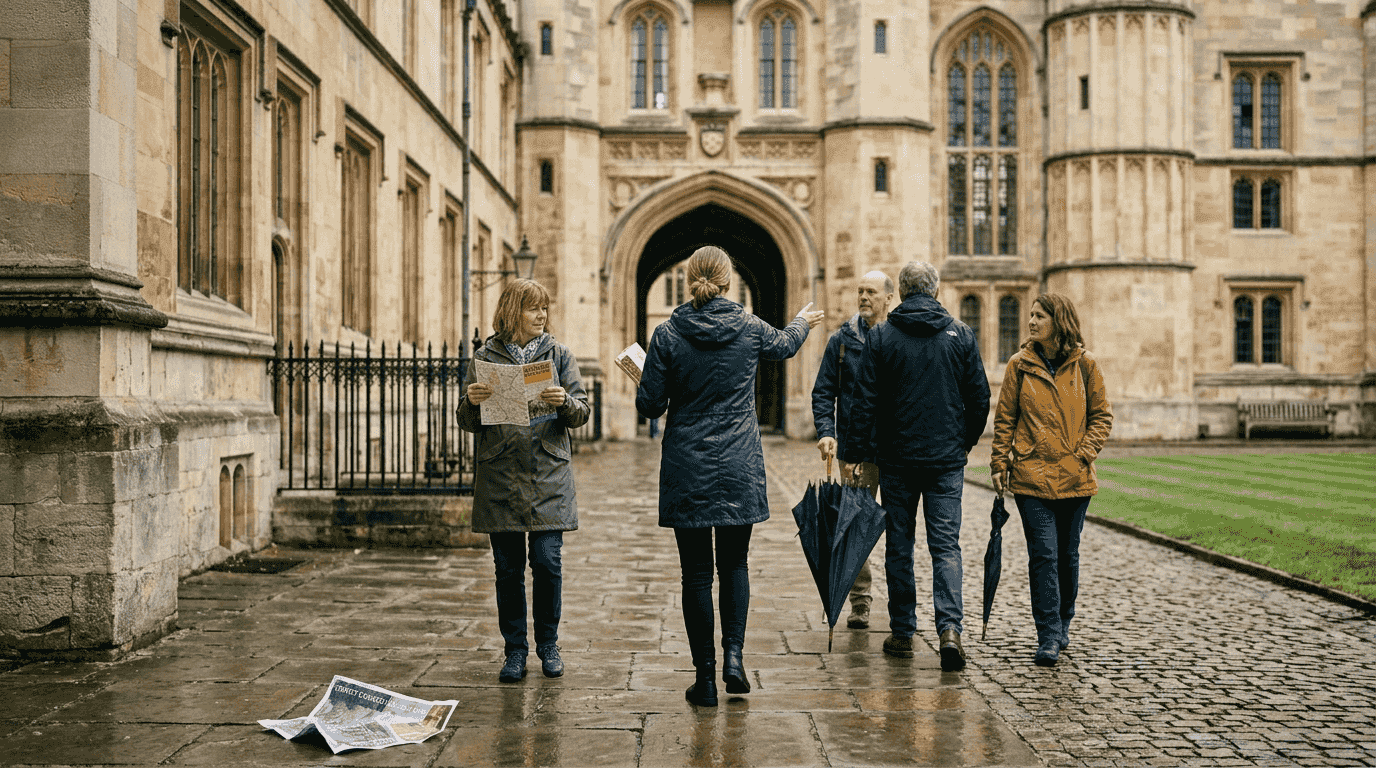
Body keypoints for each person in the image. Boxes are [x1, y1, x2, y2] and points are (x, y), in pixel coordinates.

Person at [636, 245, 824, 707]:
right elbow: (785, 344)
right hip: (739, 462)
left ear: (691, 278)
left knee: (697, 574)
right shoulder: (749, 326)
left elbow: (650, 406)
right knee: (735, 564)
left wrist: (644, 377)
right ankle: (734, 658)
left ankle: (704, 680)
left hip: (688, 464)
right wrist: (802, 321)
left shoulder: (667, 334)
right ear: (727, 280)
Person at [840, 261, 990, 672]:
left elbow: (864, 402)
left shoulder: (881, 337)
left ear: (902, 293)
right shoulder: (961, 334)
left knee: (900, 545)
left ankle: (903, 631)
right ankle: (950, 631)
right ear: (936, 291)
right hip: (944, 462)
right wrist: (962, 442)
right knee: (946, 546)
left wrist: (854, 454)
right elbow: (979, 400)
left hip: (897, 460)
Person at [458, 279, 590, 683]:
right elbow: (466, 421)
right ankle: (515, 651)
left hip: (548, 474)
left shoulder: (559, 354)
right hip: (501, 475)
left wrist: (564, 402)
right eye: (534, 308)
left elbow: (583, 411)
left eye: (545, 308)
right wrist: (472, 402)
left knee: (548, 563)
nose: (542, 315)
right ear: (513, 312)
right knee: (508, 569)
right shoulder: (485, 357)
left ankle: (548, 644)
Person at [989, 293, 1113, 667]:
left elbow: (1102, 416)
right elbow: (1005, 419)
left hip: (1075, 478)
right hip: (1032, 477)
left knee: (1067, 557)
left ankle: (1063, 621)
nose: (1031, 322)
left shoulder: (1086, 365)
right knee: (1043, 556)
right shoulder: (1018, 366)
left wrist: (1083, 454)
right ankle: (1048, 634)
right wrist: (999, 462)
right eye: (1030, 315)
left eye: (1039, 316)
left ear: (1059, 321)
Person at [811, 270, 895, 630]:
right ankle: (860, 601)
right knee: (854, 527)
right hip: (855, 450)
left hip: (895, 451)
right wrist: (827, 432)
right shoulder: (841, 341)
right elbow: (823, 391)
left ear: (888, 298)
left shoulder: (899, 338)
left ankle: (902, 611)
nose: (863, 297)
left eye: (871, 292)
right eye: (860, 291)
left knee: (899, 530)